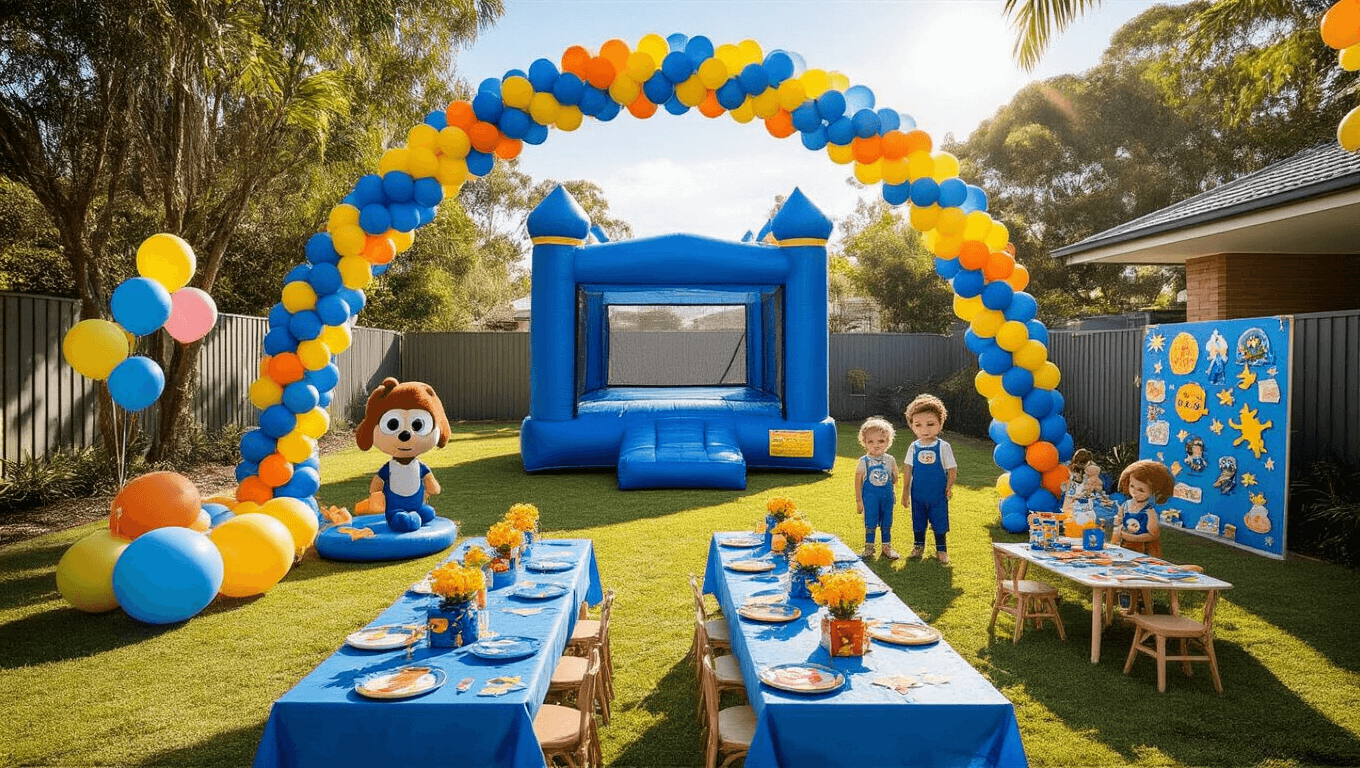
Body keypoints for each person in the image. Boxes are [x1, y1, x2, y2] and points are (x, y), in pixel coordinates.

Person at [901, 394, 957, 564]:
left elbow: (952, 469)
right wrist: (905, 492)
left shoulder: (943, 446)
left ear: (940, 423)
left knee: (939, 522)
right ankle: (918, 547)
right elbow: (908, 469)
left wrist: (949, 487)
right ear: (912, 426)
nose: (924, 429)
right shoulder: (914, 447)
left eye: (930, 424)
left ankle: (942, 550)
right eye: (918, 425)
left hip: (937, 495)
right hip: (917, 494)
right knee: (918, 521)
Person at [854, 417, 900, 560]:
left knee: (887, 521)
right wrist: (859, 501)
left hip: (886, 497)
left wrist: (893, 492)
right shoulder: (864, 461)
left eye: (881, 441)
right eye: (870, 442)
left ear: (888, 442)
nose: (876, 445)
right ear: (864, 443)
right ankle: (869, 547)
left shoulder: (890, 459)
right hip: (870, 497)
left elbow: (895, 476)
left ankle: (887, 547)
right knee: (871, 521)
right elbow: (858, 482)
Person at [1112, 459, 1176, 556]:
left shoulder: (1149, 511)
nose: (1134, 492)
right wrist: (1118, 521)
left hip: (1144, 549)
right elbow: (1120, 522)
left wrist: (1130, 537)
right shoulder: (1125, 505)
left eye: (1141, 490)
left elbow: (1153, 536)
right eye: (1132, 486)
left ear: (1154, 491)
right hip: (1126, 547)